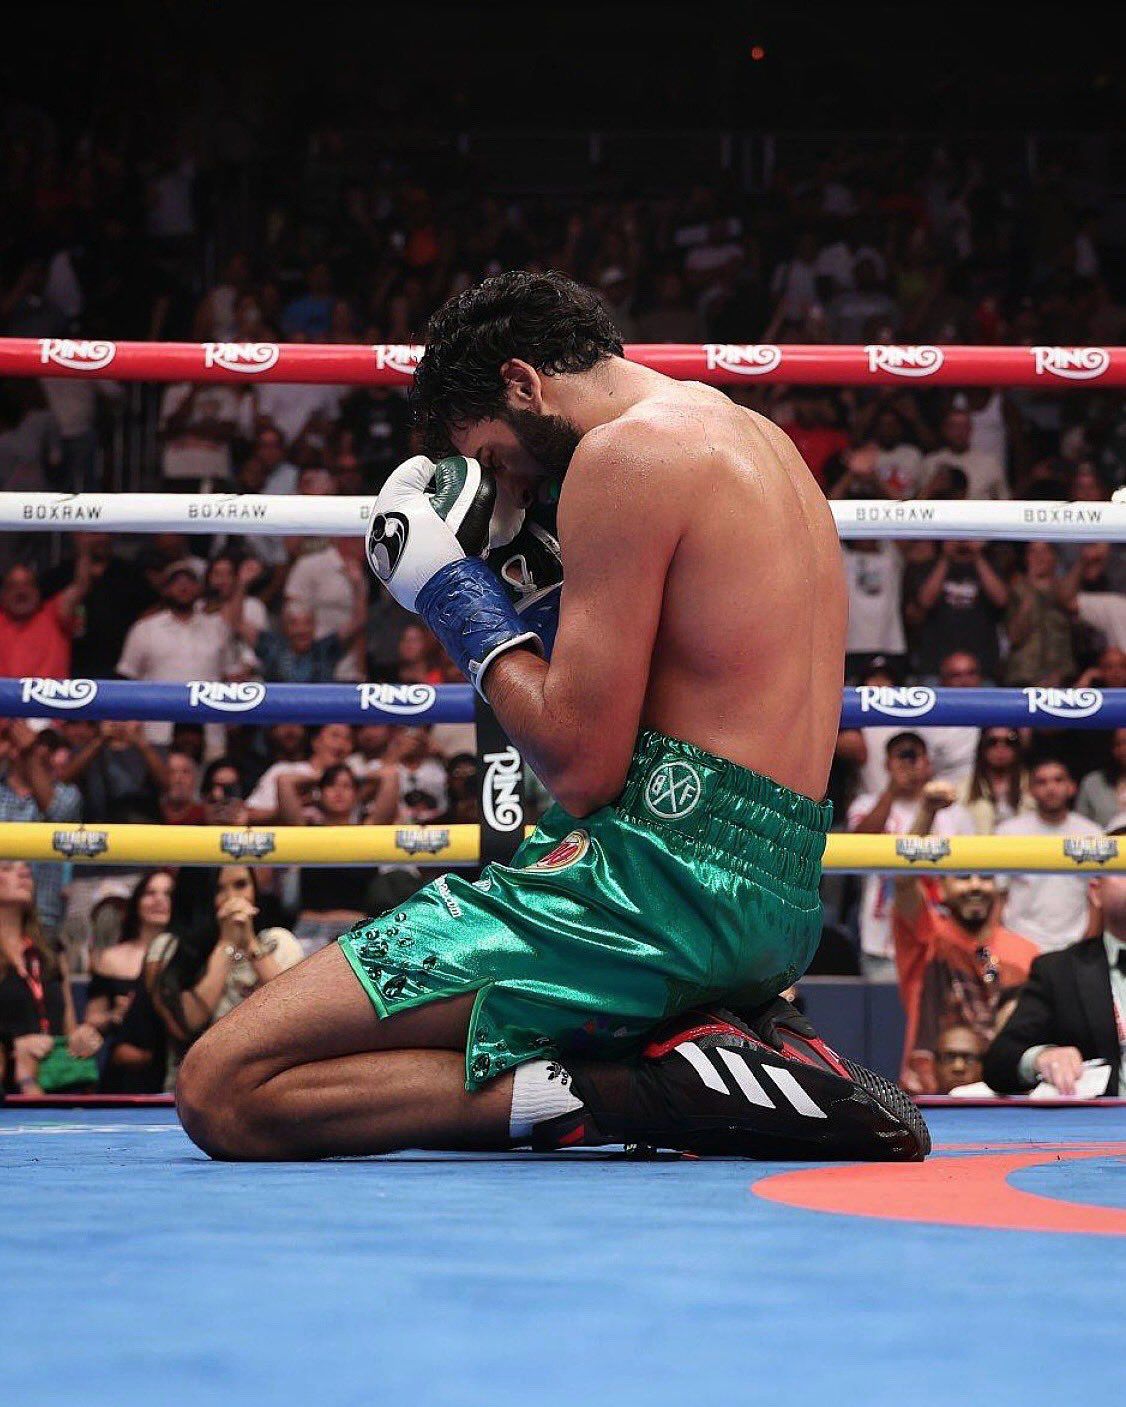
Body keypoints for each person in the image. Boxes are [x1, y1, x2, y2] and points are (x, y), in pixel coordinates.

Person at [178, 269, 927, 1163]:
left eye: (493, 459)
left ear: (524, 382)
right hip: (776, 902)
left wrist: (453, 593)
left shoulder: (623, 459)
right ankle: (695, 1039)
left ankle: (637, 1089)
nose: (510, 489)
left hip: (649, 893)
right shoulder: (757, 439)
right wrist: (532, 594)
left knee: (225, 1085)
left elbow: (580, 763)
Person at [983, 812, 1126, 1097]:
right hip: (1098, 1136)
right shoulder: (1059, 971)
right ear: (1095, 891)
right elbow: (999, 1061)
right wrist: (1041, 1057)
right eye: (1123, 869)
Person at [145, 867, 302, 1090]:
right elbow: (186, 1023)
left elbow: (296, 1012)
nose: (233, 899)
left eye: (241, 885)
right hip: (191, 1092)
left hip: (267, 1088)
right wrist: (226, 945)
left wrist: (249, 944)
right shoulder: (167, 948)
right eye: (219, 889)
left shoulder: (278, 942)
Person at [892, 855, 1037, 1094]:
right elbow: (903, 881)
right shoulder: (925, 939)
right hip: (928, 1098)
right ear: (941, 887)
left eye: (986, 878)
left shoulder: (1027, 953)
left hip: (1004, 1099)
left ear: (999, 890)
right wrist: (927, 815)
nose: (975, 885)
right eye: (963, 877)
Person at [848, 735, 973, 980]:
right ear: (887, 764)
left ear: (928, 763)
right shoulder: (866, 804)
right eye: (901, 756)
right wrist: (891, 791)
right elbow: (857, 846)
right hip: (882, 941)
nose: (909, 763)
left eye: (915, 755)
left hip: (943, 934)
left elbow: (969, 875)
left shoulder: (956, 814)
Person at [0, 861, 99, 1094]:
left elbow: (69, 1028)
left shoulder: (50, 950)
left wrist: (83, 1038)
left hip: (51, 1086)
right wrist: (13, 1047)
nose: (24, 871)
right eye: (6, 868)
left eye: (25, 868)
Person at [995, 757, 1102, 953]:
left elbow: (1096, 899)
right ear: (1030, 790)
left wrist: (1088, 945)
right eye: (1041, 782)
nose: (1051, 788)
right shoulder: (1008, 832)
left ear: (1072, 787)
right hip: (1018, 941)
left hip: (1074, 944)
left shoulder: (1092, 833)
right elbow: (998, 895)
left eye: (1058, 780)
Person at [958, 728, 1032, 834]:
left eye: (1009, 741)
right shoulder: (964, 788)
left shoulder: (1034, 784)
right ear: (982, 747)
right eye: (992, 742)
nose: (1000, 748)